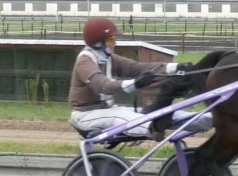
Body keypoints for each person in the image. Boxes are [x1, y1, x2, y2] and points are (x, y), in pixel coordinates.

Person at [68, 16, 210, 139]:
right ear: (98, 42)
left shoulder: (109, 58)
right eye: (110, 39)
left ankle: (206, 120)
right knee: (120, 114)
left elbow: (136, 68)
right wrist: (135, 84)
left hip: (106, 111)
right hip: (85, 115)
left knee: (154, 112)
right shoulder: (85, 61)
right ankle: (153, 129)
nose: (114, 43)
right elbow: (103, 86)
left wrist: (175, 67)